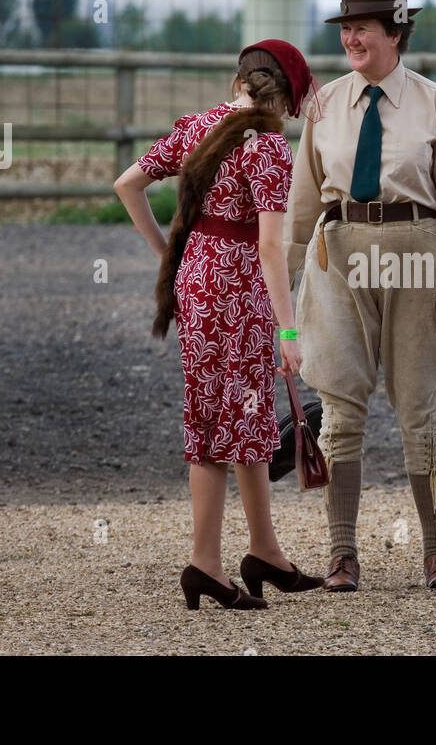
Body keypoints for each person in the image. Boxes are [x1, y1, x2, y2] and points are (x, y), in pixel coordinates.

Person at [113, 39, 325, 610]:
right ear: (286, 99)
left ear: (241, 81)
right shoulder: (270, 149)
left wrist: (166, 253)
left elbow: (127, 185)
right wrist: (288, 332)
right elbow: (273, 246)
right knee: (238, 415)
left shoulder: (197, 126)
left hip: (196, 282)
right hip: (240, 288)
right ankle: (207, 563)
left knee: (222, 414)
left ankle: (262, 552)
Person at [283, 0, 436, 591]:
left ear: (395, 33)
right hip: (338, 255)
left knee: (419, 407)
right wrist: (281, 293)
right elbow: (304, 203)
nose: (352, 38)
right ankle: (341, 554)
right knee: (340, 403)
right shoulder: (326, 104)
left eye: (362, 28)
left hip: (416, 254)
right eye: (345, 29)